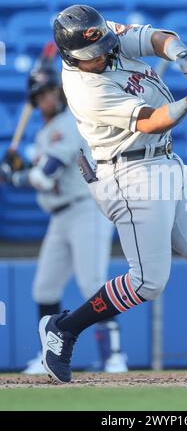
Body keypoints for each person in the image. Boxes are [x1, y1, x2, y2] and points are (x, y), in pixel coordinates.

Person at [38, 4, 187, 383]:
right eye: (92, 54)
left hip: (168, 162)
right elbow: (152, 122)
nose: (102, 54)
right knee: (147, 282)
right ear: (72, 56)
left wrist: (185, 57)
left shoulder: (105, 36)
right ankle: (65, 328)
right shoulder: (85, 88)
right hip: (128, 172)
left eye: (103, 44)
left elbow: (159, 38)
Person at [0, 61, 127, 374]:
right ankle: (49, 356)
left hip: (86, 209)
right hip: (60, 216)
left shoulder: (70, 122)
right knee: (44, 288)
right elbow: (37, 172)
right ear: (34, 99)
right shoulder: (44, 132)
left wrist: (15, 176)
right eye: (42, 94)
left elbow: (44, 177)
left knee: (92, 284)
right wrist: (14, 170)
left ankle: (114, 356)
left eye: (51, 91)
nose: (48, 98)